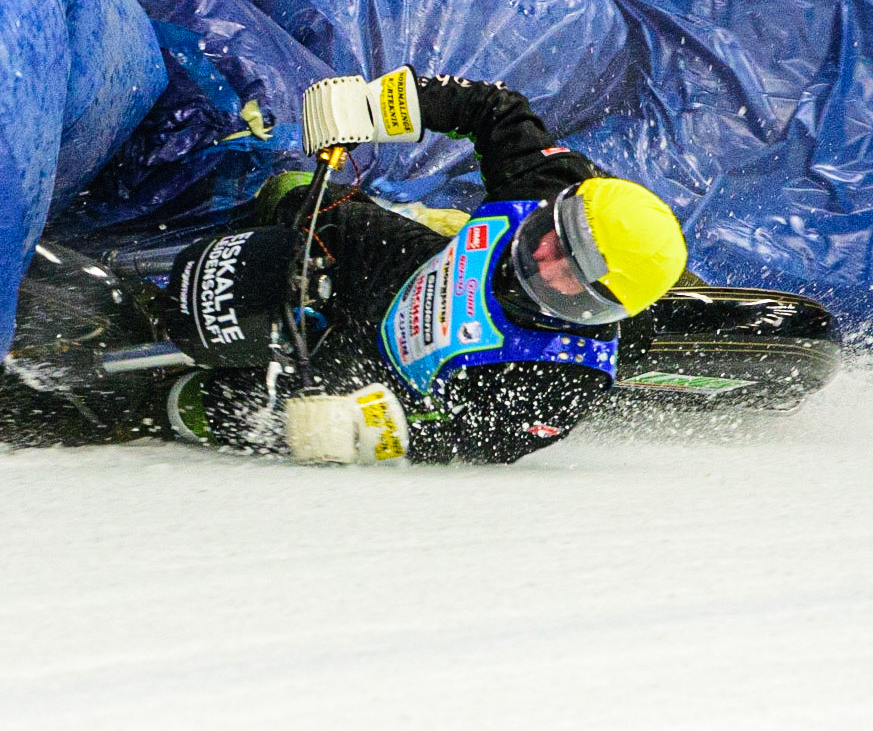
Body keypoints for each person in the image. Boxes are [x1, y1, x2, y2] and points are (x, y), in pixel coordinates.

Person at [160, 67, 689, 465]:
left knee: (218, 407)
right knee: (292, 193)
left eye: (572, 274)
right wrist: (375, 107)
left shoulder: (564, 382)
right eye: (555, 236)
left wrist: (365, 429)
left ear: (599, 306)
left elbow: (474, 441)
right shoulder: (549, 182)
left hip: (386, 375)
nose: (544, 261)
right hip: (402, 266)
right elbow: (493, 107)